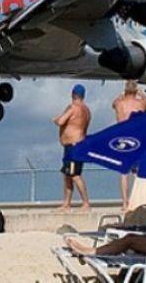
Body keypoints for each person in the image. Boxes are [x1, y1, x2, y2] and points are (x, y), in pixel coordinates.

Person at [112, 80, 146, 210]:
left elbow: (113, 104)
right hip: (136, 138)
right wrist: (142, 94)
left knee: (123, 173)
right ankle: (136, 200)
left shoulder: (119, 103)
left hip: (122, 138)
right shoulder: (140, 103)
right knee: (137, 172)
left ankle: (124, 202)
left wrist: (121, 94)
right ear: (135, 92)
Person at [54, 84, 92, 212]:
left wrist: (56, 119)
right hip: (77, 144)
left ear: (73, 94)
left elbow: (61, 121)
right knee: (67, 174)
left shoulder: (74, 107)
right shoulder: (86, 110)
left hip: (73, 145)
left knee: (75, 174)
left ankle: (86, 203)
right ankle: (66, 203)